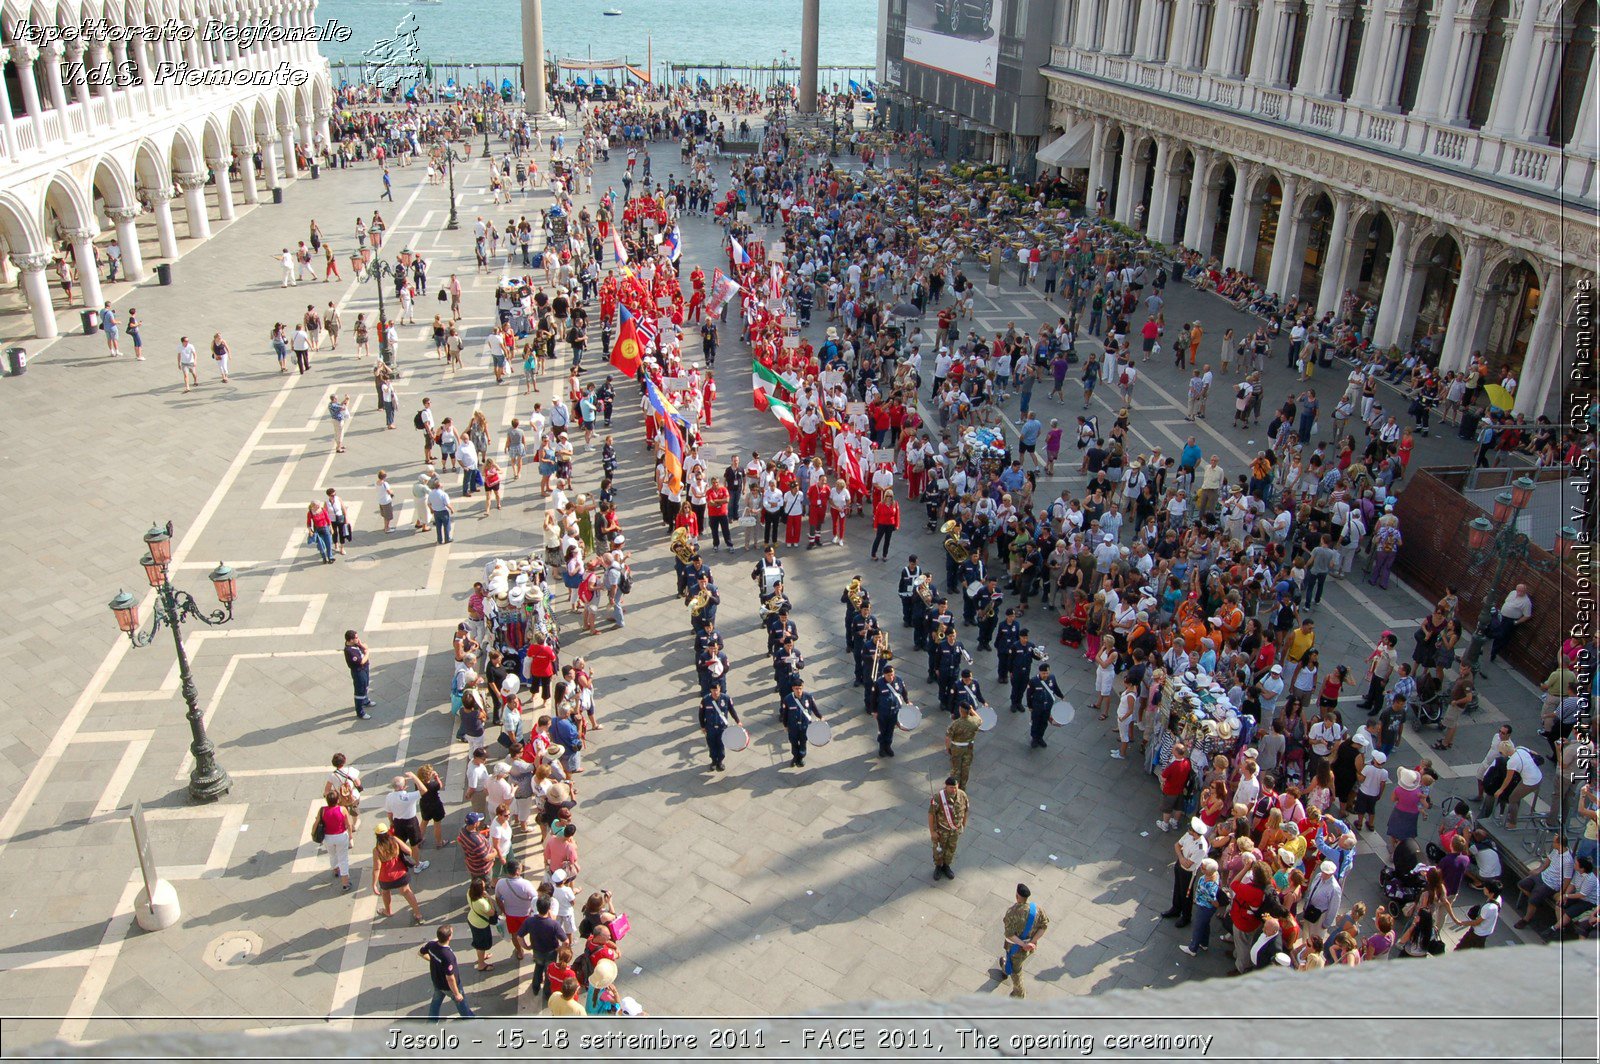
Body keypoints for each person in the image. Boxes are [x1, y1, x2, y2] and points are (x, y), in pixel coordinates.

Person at [996, 883, 1048, 998]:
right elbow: (1044, 926)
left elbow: (1009, 934)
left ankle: (1019, 995)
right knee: (1013, 963)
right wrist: (1032, 942)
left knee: (1016, 971)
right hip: (1030, 947)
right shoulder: (1037, 909)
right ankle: (1005, 968)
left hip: (1016, 948)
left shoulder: (1012, 912)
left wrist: (1023, 944)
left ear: (1016, 896)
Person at [1161, 817, 1210, 927]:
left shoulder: (1201, 847)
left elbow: (1188, 864)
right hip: (1180, 865)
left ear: (1195, 833)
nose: (1188, 829)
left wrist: (1181, 857)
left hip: (1188, 873)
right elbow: (1177, 845)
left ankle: (1186, 917)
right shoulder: (1189, 835)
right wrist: (1181, 858)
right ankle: (1175, 909)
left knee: (1186, 895)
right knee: (1177, 888)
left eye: (1191, 828)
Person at [420, 925, 474, 1021]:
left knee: (436, 1002)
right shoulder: (448, 956)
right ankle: (470, 1020)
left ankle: (432, 1022)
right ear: (449, 937)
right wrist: (456, 993)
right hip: (449, 986)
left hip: (437, 981)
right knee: (462, 1004)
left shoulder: (431, 945)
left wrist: (433, 960)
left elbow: (421, 953)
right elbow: (450, 978)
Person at [928, 775, 969, 880]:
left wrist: (963, 825)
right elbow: (931, 815)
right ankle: (938, 867)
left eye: (955, 787)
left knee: (951, 849)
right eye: (951, 787)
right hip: (941, 830)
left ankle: (946, 866)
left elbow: (965, 811)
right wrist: (932, 831)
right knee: (938, 850)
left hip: (954, 830)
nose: (954, 789)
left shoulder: (962, 795)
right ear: (946, 787)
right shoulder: (938, 798)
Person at [698, 679, 740, 772]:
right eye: (713, 690)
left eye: (716, 690)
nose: (715, 692)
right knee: (712, 745)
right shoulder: (705, 700)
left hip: (722, 728)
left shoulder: (726, 698)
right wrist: (702, 726)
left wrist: (738, 721)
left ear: (720, 688)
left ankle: (720, 762)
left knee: (721, 745)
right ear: (710, 690)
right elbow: (701, 714)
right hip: (710, 728)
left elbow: (732, 710)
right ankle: (713, 761)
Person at [316, 792, 352, 891]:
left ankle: (336, 870)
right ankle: (345, 883)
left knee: (332, 854)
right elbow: (348, 825)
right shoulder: (342, 809)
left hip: (328, 837)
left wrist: (313, 834)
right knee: (343, 858)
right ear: (337, 800)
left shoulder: (322, 810)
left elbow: (316, 823)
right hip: (341, 836)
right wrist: (351, 837)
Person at [945, 701, 980, 789]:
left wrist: (948, 748)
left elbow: (948, 738)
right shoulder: (974, 721)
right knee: (965, 768)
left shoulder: (956, 724)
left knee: (956, 769)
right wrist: (972, 710)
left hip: (956, 749)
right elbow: (980, 720)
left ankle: (954, 788)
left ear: (960, 710)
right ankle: (962, 787)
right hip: (968, 748)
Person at [344, 629, 373, 720]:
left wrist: (361, 645)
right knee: (360, 690)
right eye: (356, 638)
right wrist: (367, 653)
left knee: (366, 685)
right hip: (358, 672)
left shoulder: (355, 644)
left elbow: (365, 646)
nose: (358, 639)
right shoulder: (349, 651)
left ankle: (365, 700)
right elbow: (361, 661)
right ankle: (360, 711)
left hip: (365, 668)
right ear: (351, 640)